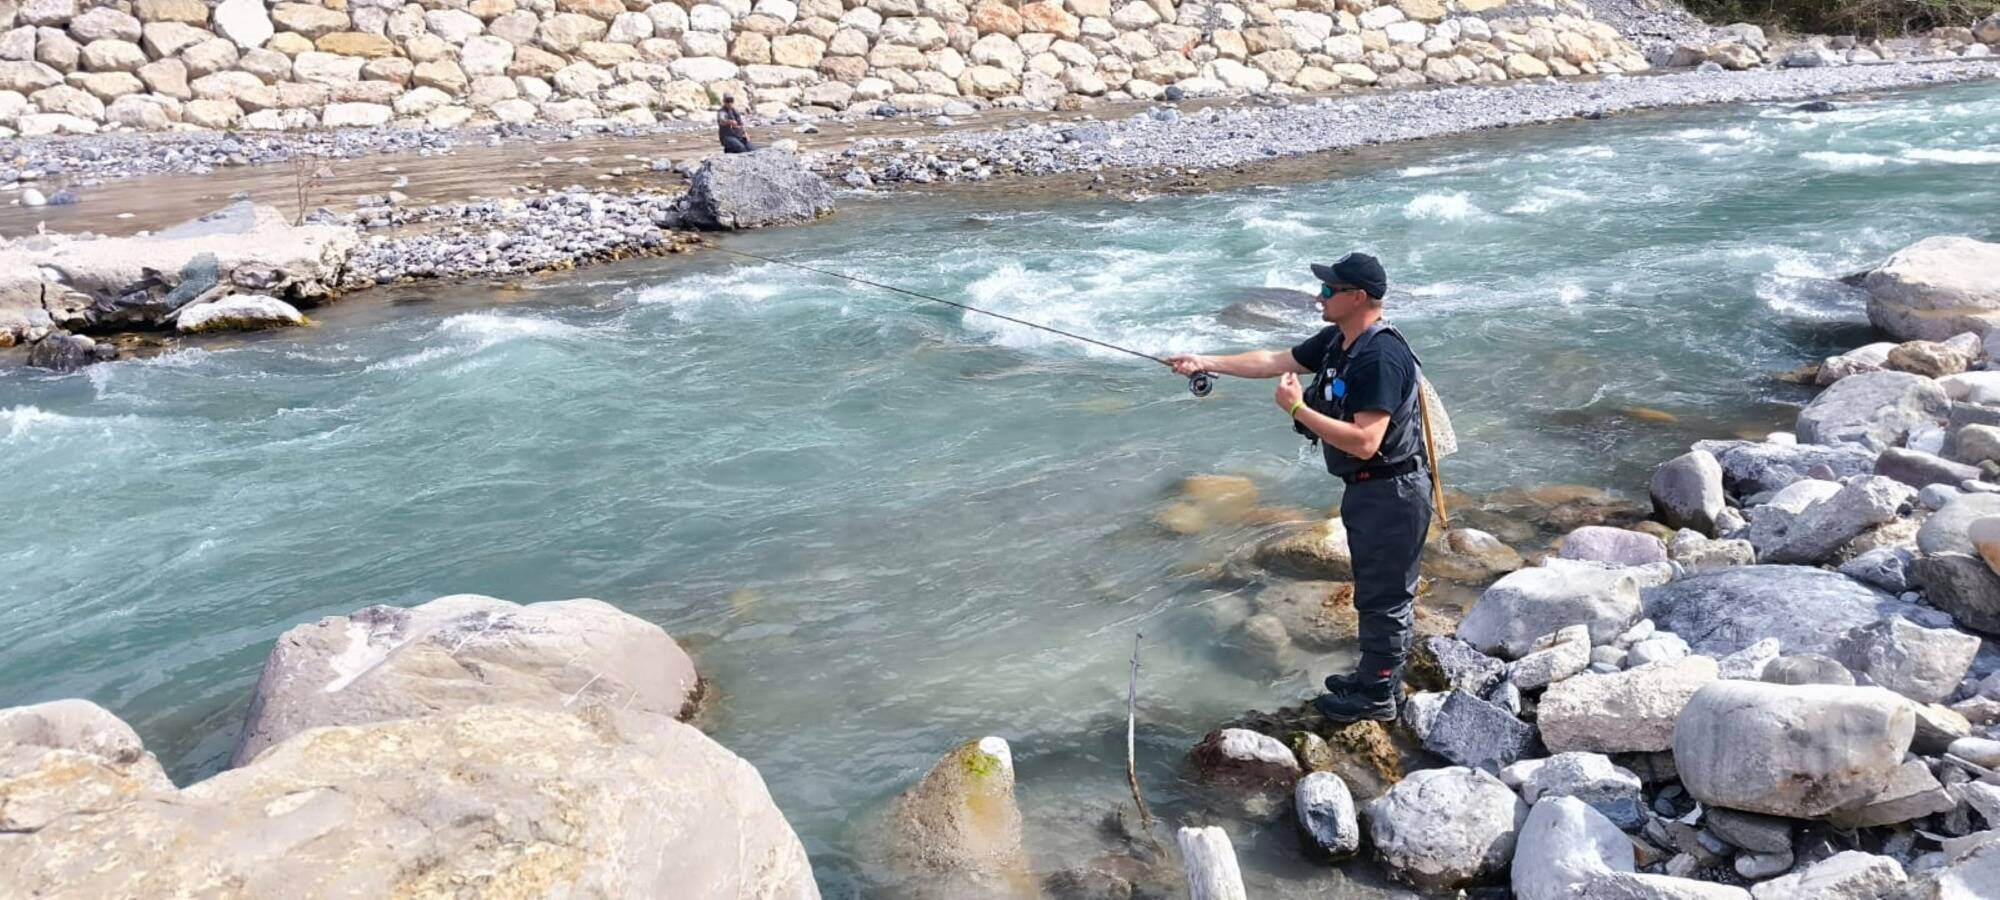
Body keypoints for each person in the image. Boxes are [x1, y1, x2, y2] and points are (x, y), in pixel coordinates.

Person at [1166, 252, 1432, 722]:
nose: (1319, 296)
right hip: (1369, 488)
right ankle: (1374, 676)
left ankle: (1378, 696)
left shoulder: (1381, 356)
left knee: (1385, 594)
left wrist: (1297, 410)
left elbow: (1368, 441)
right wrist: (1203, 360)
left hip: (1392, 489)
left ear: (1358, 297)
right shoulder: (1339, 340)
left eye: (1330, 290)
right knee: (1374, 587)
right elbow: (1272, 360)